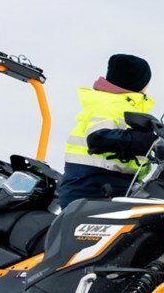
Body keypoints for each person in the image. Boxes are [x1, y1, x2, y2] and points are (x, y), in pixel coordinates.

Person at [56, 54, 157, 209]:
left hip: (113, 188)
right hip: (89, 189)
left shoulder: (126, 107)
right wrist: (139, 140)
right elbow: (99, 137)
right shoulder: (108, 103)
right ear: (140, 82)